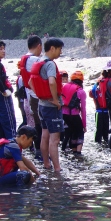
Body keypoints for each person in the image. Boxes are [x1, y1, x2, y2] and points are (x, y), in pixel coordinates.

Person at [28, 37, 65, 172]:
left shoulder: (38, 61)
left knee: (45, 135)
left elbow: (31, 83)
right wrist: (55, 99)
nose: (60, 52)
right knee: (54, 139)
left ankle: (46, 164)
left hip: (42, 105)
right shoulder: (49, 64)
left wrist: (40, 96)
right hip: (51, 106)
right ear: (52, 48)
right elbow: (51, 82)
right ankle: (57, 168)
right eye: (60, 49)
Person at [20, 35, 43, 161]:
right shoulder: (35, 60)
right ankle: (39, 151)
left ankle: (34, 148)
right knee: (40, 125)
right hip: (36, 96)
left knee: (32, 123)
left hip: (27, 96)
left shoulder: (24, 58)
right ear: (39, 45)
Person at [61, 71, 86, 155]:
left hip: (64, 115)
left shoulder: (64, 86)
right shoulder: (81, 91)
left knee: (73, 131)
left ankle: (74, 150)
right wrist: (84, 125)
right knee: (80, 132)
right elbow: (83, 109)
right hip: (74, 115)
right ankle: (78, 152)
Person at [0, 40, 17, 140]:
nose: (3, 51)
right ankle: (12, 142)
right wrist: (4, 91)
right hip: (3, 96)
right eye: (0, 49)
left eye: (3, 49)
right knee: (8, 119)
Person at [89, 76, 109, 144]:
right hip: (99, 112)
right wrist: (96, 83)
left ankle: (106, 140)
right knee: (99, 128)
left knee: (106, 127)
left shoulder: (107, 91)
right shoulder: (95, 91)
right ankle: (97, 141)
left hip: (106, 112)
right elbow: (91, 93)